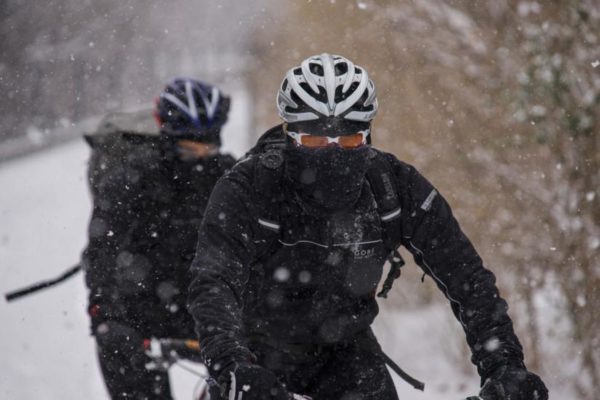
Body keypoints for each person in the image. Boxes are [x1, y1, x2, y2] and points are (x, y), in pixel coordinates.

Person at [188, 54, 549, 400]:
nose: (331, 151)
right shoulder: (248, 187)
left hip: (346, 350)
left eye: (348, 139)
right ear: (289, 134)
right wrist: (231, 365)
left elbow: (468, 279)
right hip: (254, 351)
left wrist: (505, 364)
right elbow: (213, 281)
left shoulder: (393, 187)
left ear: (368, 135)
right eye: (313, 139)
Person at [82, 78, 236, 399]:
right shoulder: (128, 181)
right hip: (144, 313)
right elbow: (103, 253)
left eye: (210, 144)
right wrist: (106, 317)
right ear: (164, 132)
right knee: (118, 350)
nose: (202, 154)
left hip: (211, 312)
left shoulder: (233, 178)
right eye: (188, 147)